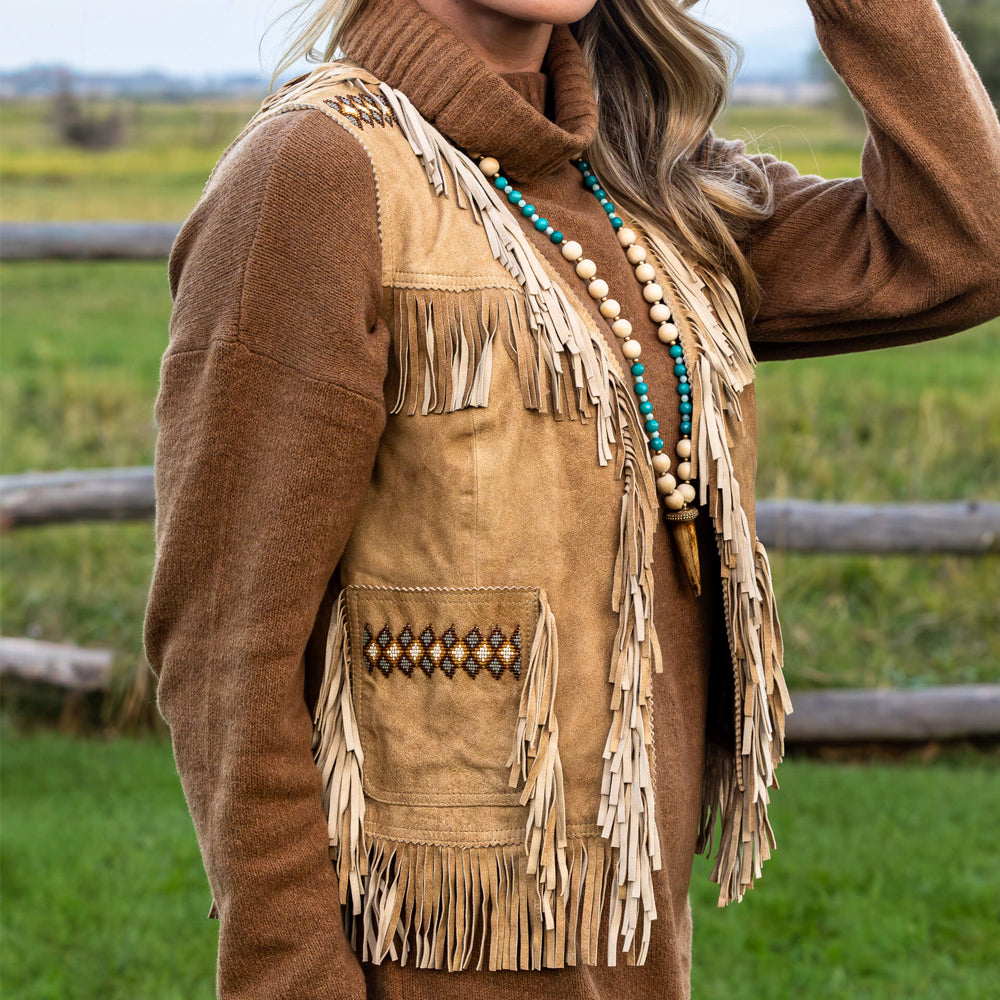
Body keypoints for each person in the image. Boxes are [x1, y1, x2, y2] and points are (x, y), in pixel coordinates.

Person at [142, 0, 1000, 997]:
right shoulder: (317, 171)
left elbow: (963, 244)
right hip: (426, 959)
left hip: (636, 944)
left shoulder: (648, 187)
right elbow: (225, 652)